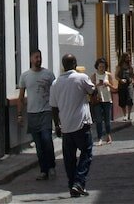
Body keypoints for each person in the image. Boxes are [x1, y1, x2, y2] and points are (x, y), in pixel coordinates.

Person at [49, 53, 95, 198]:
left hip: (66, 125)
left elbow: (54, 108)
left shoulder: (56, 83)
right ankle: (79, 182)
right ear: (75, 63)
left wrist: (57, 125)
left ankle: (73, 186)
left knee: (69, 158)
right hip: (82, 124)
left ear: (63, 65)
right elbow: (93, 91)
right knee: (86, 153)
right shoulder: (81, 78)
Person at [17, 50, 57, 180]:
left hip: (46, 111)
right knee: (38, 145)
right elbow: (21, 96)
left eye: (40, 57)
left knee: (46, 139)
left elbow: (56, 92)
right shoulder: (25, 76)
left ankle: (51, 166)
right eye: (36, 57)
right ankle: (43, 170)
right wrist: (19, 114)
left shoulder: (49, 75)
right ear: (30, 59)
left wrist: (57, 110)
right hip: (32, 113)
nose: (38, 59)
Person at [90, 56, 116, 145]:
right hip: (98, 100)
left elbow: (115, 89)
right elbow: (91, 89)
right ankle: (100, 138)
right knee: (99, 120)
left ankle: (108, 136)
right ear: (97, 66)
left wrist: (108, 84)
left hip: (107, 99)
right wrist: (97, 85)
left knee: (107, 119)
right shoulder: (94, 75)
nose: (102, 68)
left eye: (103, 66)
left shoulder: (108, 75)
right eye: (100, 66)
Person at [117, 51, 134, 122]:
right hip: (121, 85)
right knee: (123, 100)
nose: (129, 59)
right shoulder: (119, 66)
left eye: (129, 57)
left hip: (129, 85)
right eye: (127, 57)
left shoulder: (130, 66)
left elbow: (133, 75)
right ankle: (124, 115)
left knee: (130, 99)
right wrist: (120, 80)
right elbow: (116, 76)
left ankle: (129, 115)